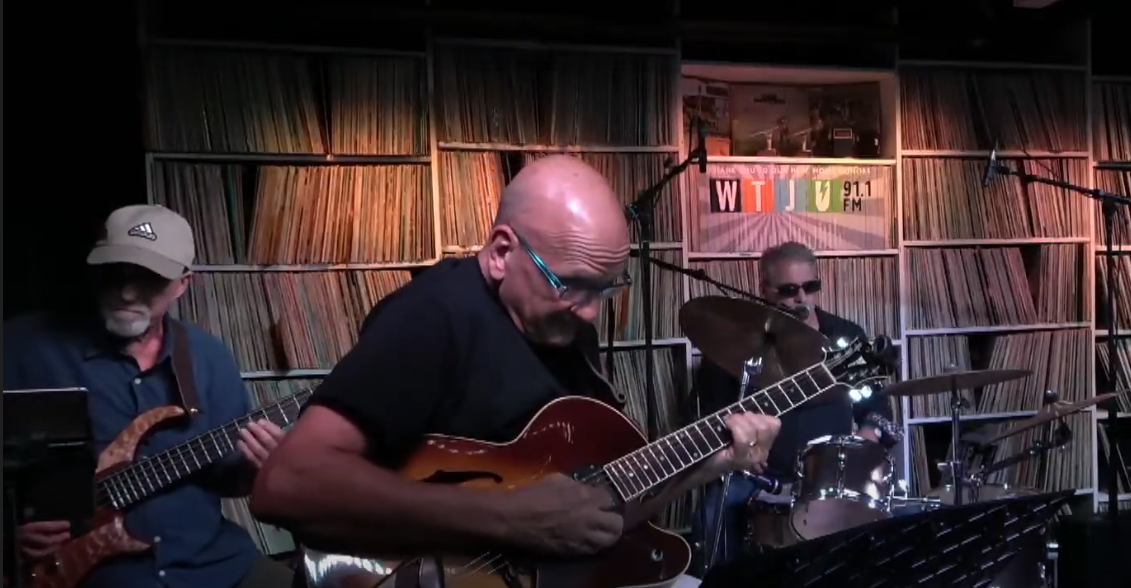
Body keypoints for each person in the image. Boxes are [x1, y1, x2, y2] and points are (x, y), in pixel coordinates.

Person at [248, 155, 779, 585]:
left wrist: (714, 462)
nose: (591, 310)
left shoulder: (568, 331)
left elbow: (589, 514)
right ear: (502, 251)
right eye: (570, 283)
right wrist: (508, 517)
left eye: (605, 288)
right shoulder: (433, 319)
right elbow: (286, 482)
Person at [2, 204, 292, 588]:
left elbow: (229, 480)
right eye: (115, 272)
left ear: (183, 283)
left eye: (149, 277)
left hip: (211, 566)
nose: (126, 291)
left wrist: (260, 466)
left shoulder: (210, 357)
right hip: (80, 575)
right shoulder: (22, 347)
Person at [687, 241, 898, 572]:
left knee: (889, 524)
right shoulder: (734, 344)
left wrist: (869, 434)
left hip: (829, 475)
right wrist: (736, 447)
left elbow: (879, 407)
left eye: (810, 287)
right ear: (765, 289)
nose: (802, 298)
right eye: (789, 290)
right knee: (712, 515)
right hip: (757, 475)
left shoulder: (845, 336)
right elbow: (707, 413)